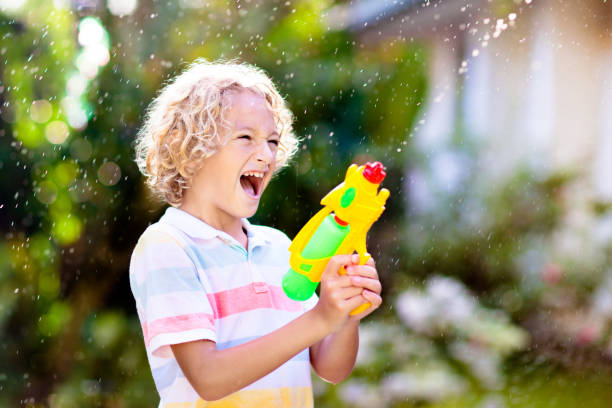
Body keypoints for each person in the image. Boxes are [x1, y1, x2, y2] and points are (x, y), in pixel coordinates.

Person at [130, 59, 383, 407]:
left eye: (273, 142)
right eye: (245, 138)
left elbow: (329, 367)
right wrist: (320, 318)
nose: (265, 155)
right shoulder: (167, 246)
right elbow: (209, 378)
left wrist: (344, 315)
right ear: (189, 151)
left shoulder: (279, 248)